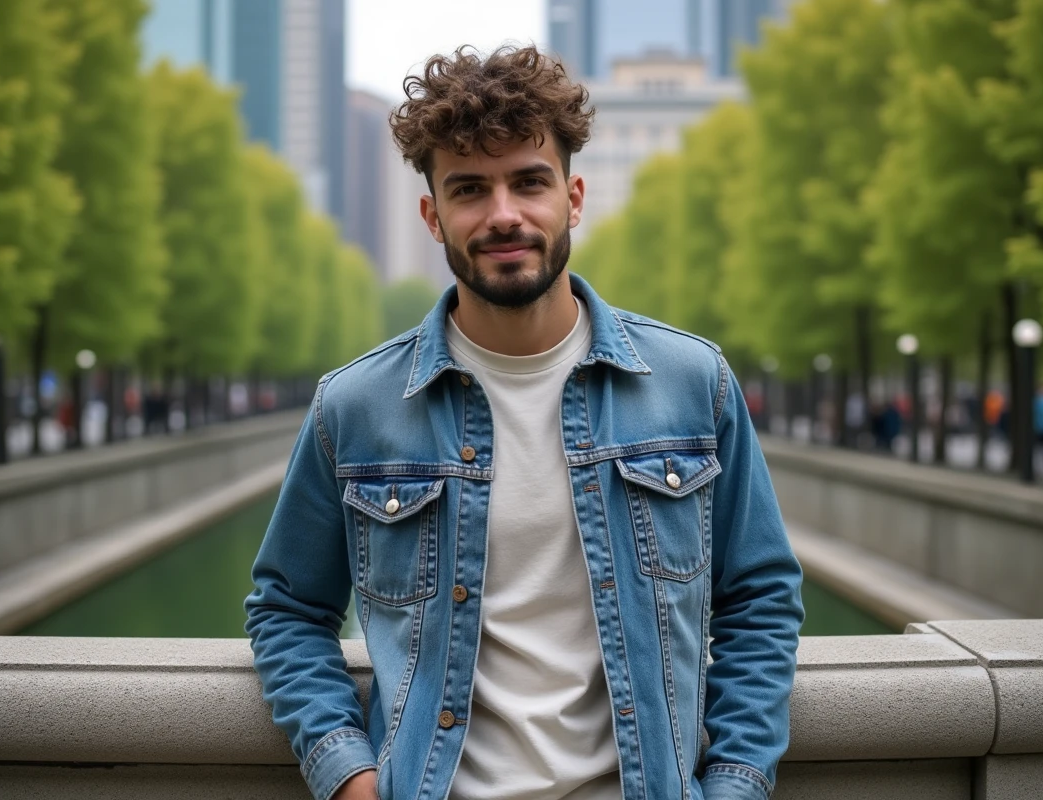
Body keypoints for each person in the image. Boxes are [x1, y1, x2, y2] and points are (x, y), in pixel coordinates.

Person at [245, 45, 803, 800]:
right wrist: (348, 775)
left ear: (573, 198)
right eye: (469, 188)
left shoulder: (692, 383)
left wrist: (735, 784)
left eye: (529, 182)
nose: (503, 214)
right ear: (432, 213)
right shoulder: (354, 406)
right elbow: (288, 609)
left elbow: (760, 602)